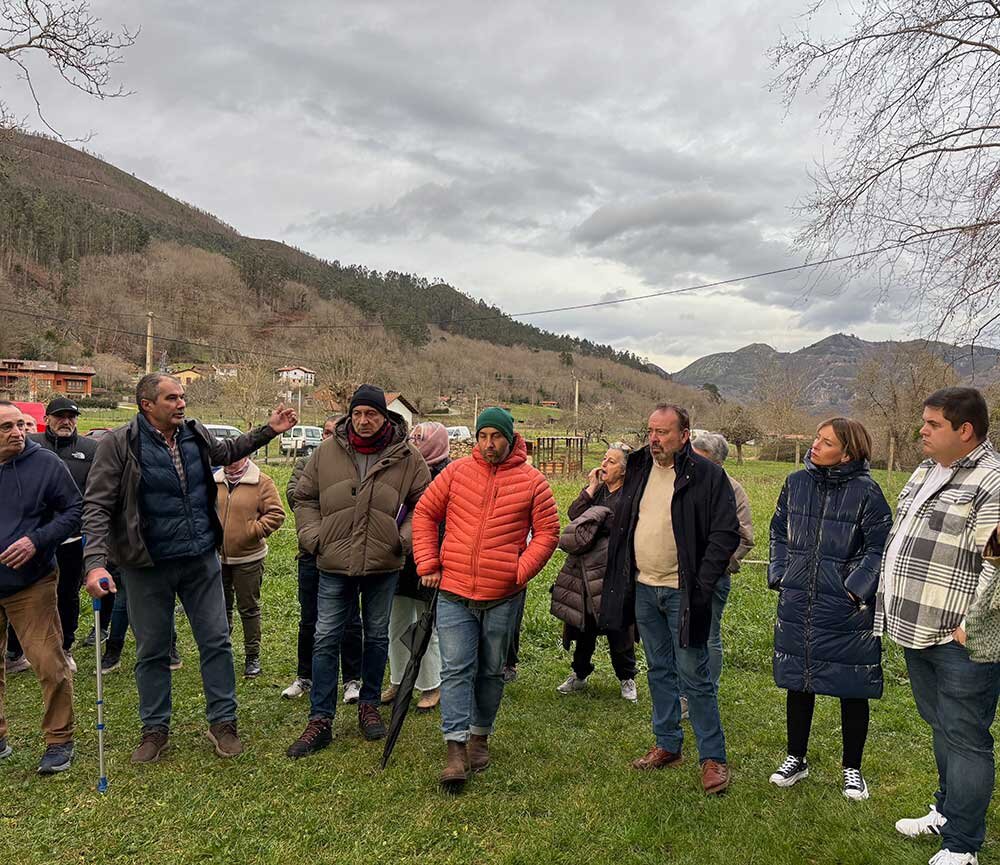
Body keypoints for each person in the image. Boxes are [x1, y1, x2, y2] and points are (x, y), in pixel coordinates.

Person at [83, 373, 297, 763]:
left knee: (216, 640)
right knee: (152, 649)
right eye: (171, 398)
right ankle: (154, 729)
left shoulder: (193, 434)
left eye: (182, 397)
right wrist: (95, 563)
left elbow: (229, 449)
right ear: (146, 405)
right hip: (147, 564)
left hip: (200, 559)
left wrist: (271, 429)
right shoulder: (119, 444)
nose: (181, 404)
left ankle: (223, 723)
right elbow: (97, 506)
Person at [876, 388, 1000, 865]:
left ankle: (963, 845)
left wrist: (969, 626)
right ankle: (947, 813)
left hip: (959, 637)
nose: (921, 431)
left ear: (964, 430)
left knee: (966, 735)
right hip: (916, 627)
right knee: (942, 727)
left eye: (932, 424)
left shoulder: (991, 482)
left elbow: (998, 564)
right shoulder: (929, 469)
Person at [413, 406, 560, 791]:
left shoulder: (533, 482)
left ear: (510, 438)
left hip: (502, 597)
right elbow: (426, 513)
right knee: (456, 668)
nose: (489, 444)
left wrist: (519, 571)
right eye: (483, 436)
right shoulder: (456, 473)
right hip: (454, 592)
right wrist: (428, 561)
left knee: (491, 670)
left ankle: (480, 735)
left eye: (496, 436)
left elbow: (547, 533)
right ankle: (456, 747)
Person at [601, 404, 739, 795]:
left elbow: (725, 533)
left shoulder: (708, 476)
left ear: (685, 434)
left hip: (685, 592)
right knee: (659, 670)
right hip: (645, 588)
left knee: (694, 673)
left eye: (663, 432)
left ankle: (712, 758)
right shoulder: (640, 469)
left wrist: (702, 582)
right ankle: (667, 744)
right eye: (651, 431)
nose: (655, 439)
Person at [286, 385, 430, 757]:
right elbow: (303, 497)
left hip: (383, 563)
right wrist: (313, 536)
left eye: (372, 414)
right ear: (351, 415)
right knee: (325, 637)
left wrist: (402, 539)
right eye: (359, 414)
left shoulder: (408, 457)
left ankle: (368, 705)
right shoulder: (327, 451)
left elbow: (423, 505)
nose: (364, 421)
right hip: (334, 561)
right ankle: (320, 718)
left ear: (385, 417)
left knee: (377, 636)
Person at [767, 418, 891, 800]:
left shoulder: (868, 493)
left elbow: (879, 548)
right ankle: (796, 758)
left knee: (852, 685)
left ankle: (853, 768)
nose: (815, 445)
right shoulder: (795, 483)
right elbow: (778, 530)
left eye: (826, 441)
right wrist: (780, 572)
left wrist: (855, 590)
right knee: (798, 678)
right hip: (799, 600)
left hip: (846, 609)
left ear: (848, 452)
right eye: (816, 439)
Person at [0, 400, 80, 773]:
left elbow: (74, 511)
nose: (17, 433)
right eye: (6, 428)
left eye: (20, 425)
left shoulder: (46, 464)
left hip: (30, 582)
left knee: (48, 662)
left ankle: (59, 740)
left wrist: (36, 540)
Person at [282, 415, 364, 703]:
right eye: (325, 432)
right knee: (309, 619)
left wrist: (328, 501)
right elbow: (295, 495)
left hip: (345, 554)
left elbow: (355, 503)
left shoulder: (352, 465)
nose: (330, 437)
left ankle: (353, 679)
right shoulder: (308, 462)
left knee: (351, 619)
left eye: (334, 433)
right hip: (311, 552)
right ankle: (305, 676)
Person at [551, 443, 638, 702]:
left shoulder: (631, 495)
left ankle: (627, 677)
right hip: (585, 573)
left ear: (623, 471)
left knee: (619, 627)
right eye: (604, 459)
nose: (604, 464)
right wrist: (590, 488)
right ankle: (580, 674)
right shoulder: (598, 492)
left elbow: (614, 524)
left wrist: (594, 523)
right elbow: (574, 515)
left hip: (613, 571)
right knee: (584, 624)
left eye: (611, 461)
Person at [25, 397, 99, 673]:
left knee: (67, 594)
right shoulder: (31, 444)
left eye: (71, 416)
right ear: (48, 418)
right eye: (59, 416)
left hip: (72, 538)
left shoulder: (90, 449)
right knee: (30, 593)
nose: (66, 421)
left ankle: (65, 646)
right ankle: (20, 649)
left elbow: (97, 490)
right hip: (34, 537)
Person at [382, 421, 451, 711]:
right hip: (399, 558)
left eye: (421, 439)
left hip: (431, 562)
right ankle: (399, 681)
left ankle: (431, 685)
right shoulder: (404, 467)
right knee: (396, 624)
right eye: (414, 437)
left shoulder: (447, 475)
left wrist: (435, 561)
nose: (415, 442)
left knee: (427, 626)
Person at [689, 431, 755, 692]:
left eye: (701, 459)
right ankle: (684, 691)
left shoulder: (732, 490)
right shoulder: (680, 482)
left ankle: (707, 690)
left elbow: (744, 537)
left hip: (713, 578)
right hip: (677, 573)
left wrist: (717, 564)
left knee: (708, 636)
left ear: (718, 463)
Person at [214, 456, 285, 678]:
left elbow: (276, 514)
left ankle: (252, 656)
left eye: (235, 457)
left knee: (248, 608)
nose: (230, 462)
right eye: (226, 458)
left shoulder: (262, 481)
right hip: (218, 558)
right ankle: (221, 655)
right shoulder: (213, 481)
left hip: (249, 558)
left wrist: (252, 531)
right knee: (220, 609)